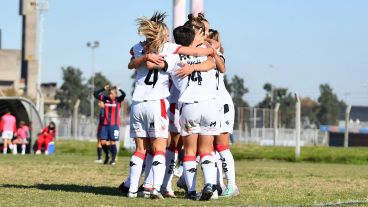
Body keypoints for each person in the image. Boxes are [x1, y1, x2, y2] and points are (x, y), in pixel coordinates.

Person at [120, 11, 217, 199]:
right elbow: (195, 52)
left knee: (141, 149)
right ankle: (154, 187)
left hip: (138, 102)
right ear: (162, 34)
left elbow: (133, 64)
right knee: (159, 148)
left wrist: (144, 58)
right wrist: (211, 50)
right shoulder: (169, 49)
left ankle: (132, 188)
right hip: (158, 103)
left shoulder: (138, 48)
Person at [208, 27, 239, 197]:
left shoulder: (217, 54)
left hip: (222, 105)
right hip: (210, 105)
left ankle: (232, 185)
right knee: (210, 148)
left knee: (221, 146)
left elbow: (216, 46)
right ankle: (218, 184)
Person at [94, 85, 126, 165]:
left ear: (115, 94)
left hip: (114, 125)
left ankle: (113, 159)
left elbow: (124, 95)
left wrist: (120, 89)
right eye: (109, 93)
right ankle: (108, 154)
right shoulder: (105, 99)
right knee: (102, 142)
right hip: (105, 125)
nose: (110, 95)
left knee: (112, 142)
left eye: (112, 94)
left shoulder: (118, 100)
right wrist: (103, 88)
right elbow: (95, 94)